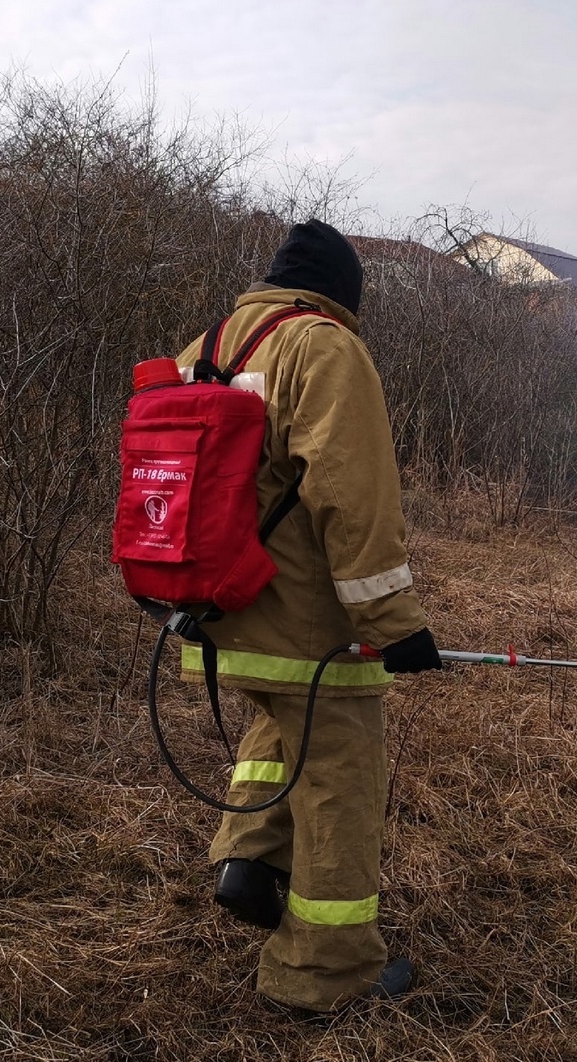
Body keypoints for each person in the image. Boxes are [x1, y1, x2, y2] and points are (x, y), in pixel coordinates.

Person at [178, 219, 442, 1011]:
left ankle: (249, 864)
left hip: (225, 610)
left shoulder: (211, 345)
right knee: (339, 781)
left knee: (279, 725)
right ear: (343, 292)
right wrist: (395, 624)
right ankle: (325, 975)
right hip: (304, 624)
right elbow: (352, 497)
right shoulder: (322, 345)